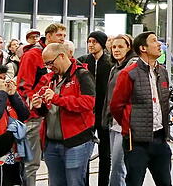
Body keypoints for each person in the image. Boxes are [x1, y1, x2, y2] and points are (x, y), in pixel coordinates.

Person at [109, 31, 172, 186]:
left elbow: (164, 103)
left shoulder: (162, 71)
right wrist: (129, 126)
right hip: (136, 143)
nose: (159, 44)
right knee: (134, 182)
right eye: (154, 41)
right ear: (143, 48)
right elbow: (116, 106)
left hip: (160, 139)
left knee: (165, 182)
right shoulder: (128, 73)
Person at [33, 42, 96, 186]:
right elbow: (49, 110)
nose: (49, 67)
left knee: (75, 182)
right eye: (46, 64)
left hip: (76, 142)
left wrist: (57, 99)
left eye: (50, 63)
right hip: (51, 143)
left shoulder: (82, 75)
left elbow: (88, 103)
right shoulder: (51, 79)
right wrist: (39, 106)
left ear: (61, 56)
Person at [17, 23, 67, 186]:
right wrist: (35, 106)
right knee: (32, 163)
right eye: (59, 35)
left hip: (51, 115)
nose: (62, 39)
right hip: (35, 116)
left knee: (53, 162)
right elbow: (23, 86)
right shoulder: (32, 55)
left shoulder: (59, 55)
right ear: (49, 35)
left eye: (64, 36)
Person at [79, 31, 112, 186]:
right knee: (85, 150)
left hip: (104, 111)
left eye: (94, 41)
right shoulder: (83, 61)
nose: (91, 44)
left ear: (102, 44)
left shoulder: (110, 62)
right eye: (89, 41)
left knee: (105, 152)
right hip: (87, 112)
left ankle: (103, 183)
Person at [103, 35, 136, 186]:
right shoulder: (114, 67)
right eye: (114, 47)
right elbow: (108, 96)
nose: (116, 50)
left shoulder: (132, 66)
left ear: (129, 48)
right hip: (113, 121)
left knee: (117, 165)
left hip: (125, 122)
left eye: (120, 47)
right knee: (116, 164)